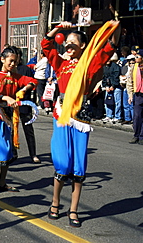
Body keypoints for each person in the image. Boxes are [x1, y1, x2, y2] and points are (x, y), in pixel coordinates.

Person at [42, 20, 120, 227]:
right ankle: (55, 202)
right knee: (62, 162)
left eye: (72, 43)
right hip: (62, 115)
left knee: (78, 166)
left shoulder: (90, 63)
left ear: (83, 46)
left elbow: (111, 45)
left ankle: (73, 209)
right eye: (66, 43)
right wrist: (60, 28)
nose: (68, 46)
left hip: (81, 116)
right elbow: (46, 45)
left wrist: (114, 25)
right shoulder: (60, 63)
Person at [0, 46, 37, 194]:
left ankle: (0, 182)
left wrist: (24, 89)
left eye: (16, 62)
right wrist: (6, 97)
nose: (13, 64)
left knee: (7, 150)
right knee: (3, 148)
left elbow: (33, 81)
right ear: (2, 59)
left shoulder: (15, 77)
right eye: (11, 61)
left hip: (9, 116)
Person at [16, 48, 41, 163]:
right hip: (10, 104)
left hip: (25, 103)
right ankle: (12, 152)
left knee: (28, 130)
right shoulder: (6, 70)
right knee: (11, 130)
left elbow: (33, 83)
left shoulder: (25, 69)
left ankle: (33, 154)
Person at [127, 49, 143, 145]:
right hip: (138, 94)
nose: (135, 58)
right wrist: (130, 95)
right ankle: (136, 135)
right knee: (137, 116)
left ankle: (141, 136)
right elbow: (130, 82)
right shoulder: (134, 67)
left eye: (137, 57)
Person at [101, 53, 122, 123]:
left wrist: (113, 85)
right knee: (108, 101)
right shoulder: (104, 67)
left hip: (116, 86)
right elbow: (103, 77)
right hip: (108, 86)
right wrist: (106, 86)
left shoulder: (115, 66)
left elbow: (116, 76)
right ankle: (108, 115)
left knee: (117, 102)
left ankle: (117, 116)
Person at [120, 54, 135, 125]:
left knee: (131, 105)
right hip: (125, 87)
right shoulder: (125, 68)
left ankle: (133, 119)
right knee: (125, 104)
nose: (131, 64)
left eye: (132, 62)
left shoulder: (135, 69)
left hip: (132, 89)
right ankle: (127, 118)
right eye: (130, 62)